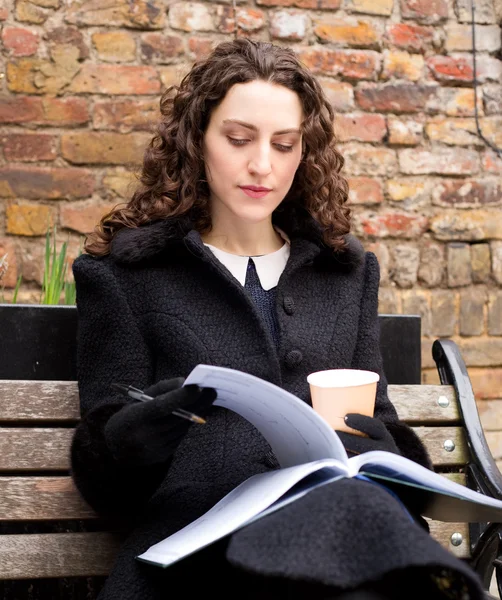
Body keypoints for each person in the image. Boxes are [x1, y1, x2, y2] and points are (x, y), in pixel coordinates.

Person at [70, 39, 485, 600]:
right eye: (238, 139)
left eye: (284, 145)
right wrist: (132, 439)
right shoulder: (126, 276)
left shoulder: (346, 273)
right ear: (197, 140)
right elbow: (105, 483)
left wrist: (388, 451)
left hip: (330, 540)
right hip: (196, 557)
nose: (262, 164)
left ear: (303, 152)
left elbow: (378, 426)